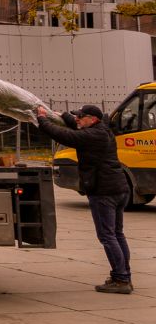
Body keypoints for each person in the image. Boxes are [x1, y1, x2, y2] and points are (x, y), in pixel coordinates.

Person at [35, 104, 131, 293]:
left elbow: (64, 135)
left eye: (81, 116)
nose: (77, 119)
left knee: (107, 235)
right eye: (77, 116)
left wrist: (42, 119)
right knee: (116, 234)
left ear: (93, 119)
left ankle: (121, 280)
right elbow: (74, 125)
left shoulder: (92, 136)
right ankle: (123, 275)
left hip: (104, 192)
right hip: (118, 189)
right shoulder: (102, 130)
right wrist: (62, 115)